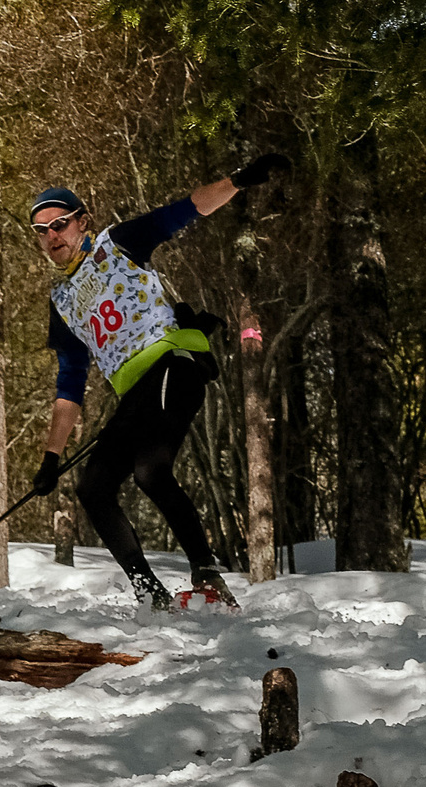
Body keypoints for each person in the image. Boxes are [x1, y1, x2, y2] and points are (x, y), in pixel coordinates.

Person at [27, 153, 286, 611]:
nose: (52, 236)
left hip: (172, 364)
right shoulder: (61, 300)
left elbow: (185, 210)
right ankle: (151, 594)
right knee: (93, 488)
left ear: (83, 221)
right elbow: (70, 383)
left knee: (151, 470)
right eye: (41, 230)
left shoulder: (116, 243)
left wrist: (237, 181)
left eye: (59, 224)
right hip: (134, 394)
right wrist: (51, 456)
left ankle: (208, 578)